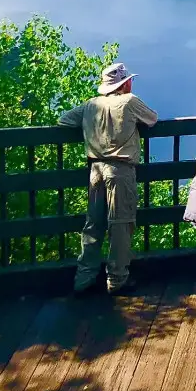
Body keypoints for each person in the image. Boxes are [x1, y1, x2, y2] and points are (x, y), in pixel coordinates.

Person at [59, 62, 158, 295]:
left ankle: (84, 278)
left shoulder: (91, 105)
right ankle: (117, 279)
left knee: (93, 224)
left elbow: (64, 120)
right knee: (121, 224)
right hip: (120, 170)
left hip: (95, 170)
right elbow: (152, 119)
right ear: (124, 83)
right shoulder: (129, 101)